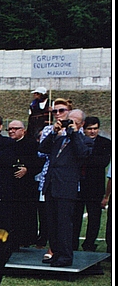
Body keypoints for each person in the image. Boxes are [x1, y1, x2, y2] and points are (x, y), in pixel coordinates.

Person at [39, 109, 93, 267]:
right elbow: (43, 148)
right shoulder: (59, 139)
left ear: (82, 124)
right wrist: (54, 132)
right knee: (52, 223)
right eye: (69, 120)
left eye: (74, 121)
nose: (70, 123)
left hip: (66, 187)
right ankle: (55, 252)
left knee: (64, 223)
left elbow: (82, 154)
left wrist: (74, 133)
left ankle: (65, 256)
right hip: (52, 185)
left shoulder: (84, 140)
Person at [72, 116, 111, 252]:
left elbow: (102, 162)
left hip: (95, 187)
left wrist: (85, 158)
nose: (93, 131)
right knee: (75, 218)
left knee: (94, 219)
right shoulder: (78, 141)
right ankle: (73, 245)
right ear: (84, 128)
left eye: (95, 129)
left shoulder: (106, 143)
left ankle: (89, 245)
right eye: (90, 129)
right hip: (78, 185)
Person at [6, 119, 41, 250]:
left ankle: (26, 239)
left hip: (27, 185)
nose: (11, 131)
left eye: (15, 129)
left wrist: (27, 169)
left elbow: (39, 162)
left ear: (23, 130)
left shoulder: (31, 144)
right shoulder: (7, 144)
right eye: (9, 129)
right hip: (10, 184)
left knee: (27, 213)